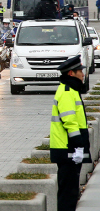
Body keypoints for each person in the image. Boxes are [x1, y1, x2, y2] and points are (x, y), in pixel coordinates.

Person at [50, 55, 91, 211]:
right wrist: (78, 146)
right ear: (71, 74)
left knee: (70, 192)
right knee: (68, 193)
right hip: (68, 149)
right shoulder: (67, 91)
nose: (82, 73)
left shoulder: (71, 90)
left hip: (69, 150)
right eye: (79, 71)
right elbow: (70, 122)